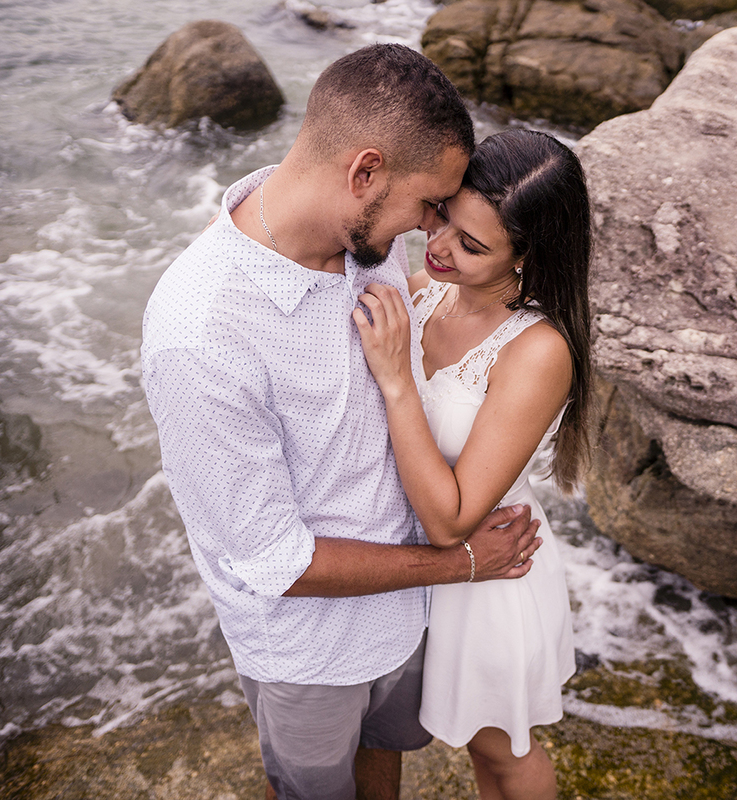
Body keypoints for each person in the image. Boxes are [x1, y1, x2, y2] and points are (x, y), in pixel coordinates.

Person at [141, 45, 543, 800]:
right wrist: (460, 566)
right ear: (364, 173)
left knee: (381, 768)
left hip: (403, 615)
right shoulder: (201, 334)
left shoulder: (367, 242)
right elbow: (277, 562)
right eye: (430, 203)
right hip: (309, 651)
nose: (434, 228)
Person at [353, 128, 592, 800]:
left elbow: (451, 518)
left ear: (528, 257)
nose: (439, 248)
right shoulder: (426, 291)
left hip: (490, 578)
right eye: (445, 220)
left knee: (501, 755)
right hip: (412, 578)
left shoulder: (537, 351)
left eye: (473, 245)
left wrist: (398, 380)